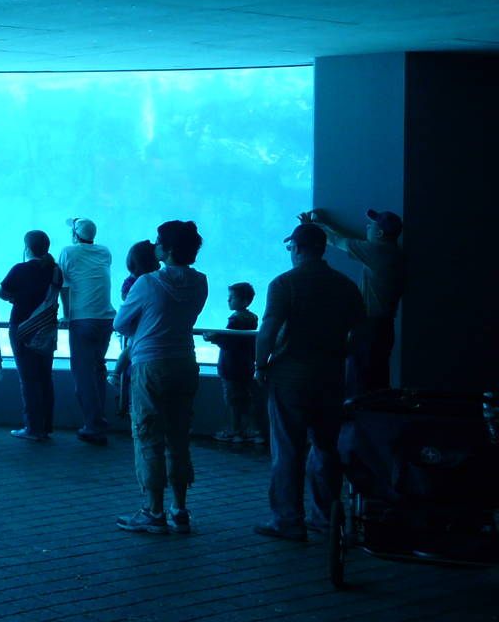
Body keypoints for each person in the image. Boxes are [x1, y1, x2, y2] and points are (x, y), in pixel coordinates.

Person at [253, 221, 366, 542]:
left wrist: (261, 364)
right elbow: (361, 333)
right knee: (326, 447)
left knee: (289, 448)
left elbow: (270, 328)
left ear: (299, 249)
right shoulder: (346, 286)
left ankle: (288, 520)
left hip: (289, 377)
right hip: (330, 377)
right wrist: (342, 352)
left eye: (291, 248)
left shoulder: (285, 284)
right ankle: (326, 518)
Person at [112, 220, 209, 535]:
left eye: (158, 242)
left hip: (150, 364)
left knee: (148, 435)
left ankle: (153, 512)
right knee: (179, 435)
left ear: (167, 249)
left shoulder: (147, 283)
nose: (154, 246)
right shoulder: (201, 282)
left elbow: (122, 323)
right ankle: (179, 509)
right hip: (185, 361)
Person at [299, 208, 405, 395]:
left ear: (379, 233)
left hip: (370, 325)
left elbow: (336, 241)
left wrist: (308, 229)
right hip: (383, 325)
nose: (367, 226)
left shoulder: (376, 252)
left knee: (360, 378)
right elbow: (352, 240)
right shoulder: (390, 251)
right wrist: (327, 224)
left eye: (371, 225)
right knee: (377, 377)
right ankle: (375, 418)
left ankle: (359, 419)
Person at [0, 231, 63, 442]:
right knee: (45, 377)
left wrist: (18, 299)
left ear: (27, 248)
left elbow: (3, 293)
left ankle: (33, 428)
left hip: (22, 329)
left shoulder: (20, 269)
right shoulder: (55, 270)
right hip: (47, 329)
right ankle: (46, 426)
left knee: (28, 379)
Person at [59, 217, 116, 445]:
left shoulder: (68, 252)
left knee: (83, 373)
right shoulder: (104, 252)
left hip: (83, 319)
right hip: (106, 319)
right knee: (98, 369)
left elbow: (63, 285)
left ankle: (93, 426)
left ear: (74, 234)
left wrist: (66, 313)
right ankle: (99, 419)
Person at [110, 240, 160, 423]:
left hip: (139, 342)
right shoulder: (155, 281)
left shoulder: (135, 282)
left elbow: (120, 321)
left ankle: (136, 419)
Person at [204, 282, 260, 443]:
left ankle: (234, 431)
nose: (229, 300)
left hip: (231, 367)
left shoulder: (236, 320)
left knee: (233, 400)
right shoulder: (252, 318)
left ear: (244, 301)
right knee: (247, 399)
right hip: (246, 366)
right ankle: (253, 431)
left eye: (232, 297)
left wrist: (214, 338)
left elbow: (231, 344)